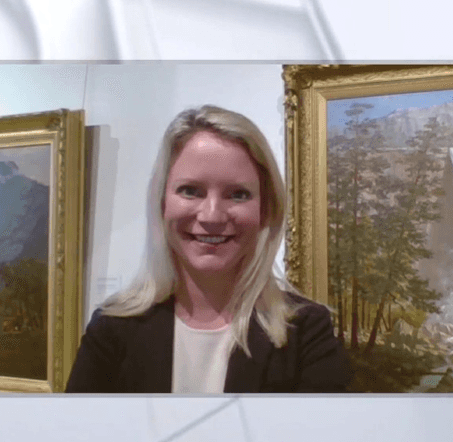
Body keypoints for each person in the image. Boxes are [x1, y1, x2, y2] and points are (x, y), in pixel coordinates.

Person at [65, 105, 351, 393]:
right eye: (190, 191)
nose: (212, 216)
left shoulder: (307, 333)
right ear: (162, 202)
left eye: (238, 194)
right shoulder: (111, 329)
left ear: (265, 209)